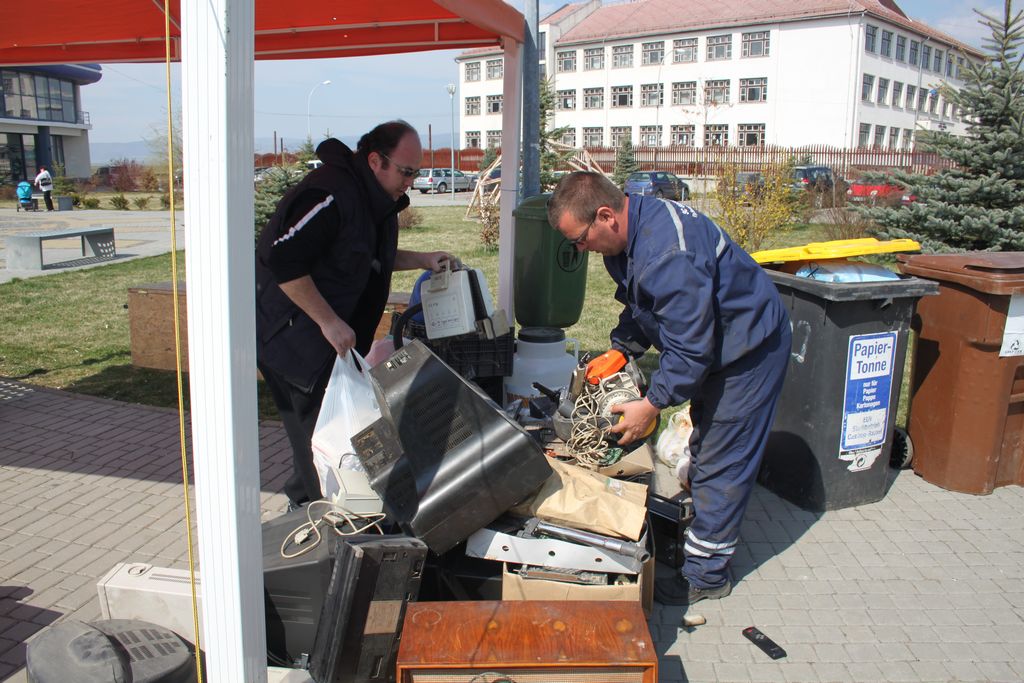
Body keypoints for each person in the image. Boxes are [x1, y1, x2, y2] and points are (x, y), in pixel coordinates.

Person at [546, 171, 791, 605]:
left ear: (606, 215)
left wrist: (652, 404)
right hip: (719, 344)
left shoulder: (667, 254)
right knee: (708, 447)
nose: (579, 250)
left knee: (722, 458)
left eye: (580, 239)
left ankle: (706, 575)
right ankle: (704, 526)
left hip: (749, 350)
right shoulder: (631, 232)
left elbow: (691, 350)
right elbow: (644, 303)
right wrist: (622, 348)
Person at [255, 120, 454, 510]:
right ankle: (321, 529)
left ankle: (306, 507)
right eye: (406, 171)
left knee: (328, 440)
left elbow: (368, 257)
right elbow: (282, 262)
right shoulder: (331, 193)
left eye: (415, 173)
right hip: (296, 345)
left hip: (332, 345)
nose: (411, 182)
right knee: (320, 447)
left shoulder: (376, 200)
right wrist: (328, 320)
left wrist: (423, 260)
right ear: (376, 160)